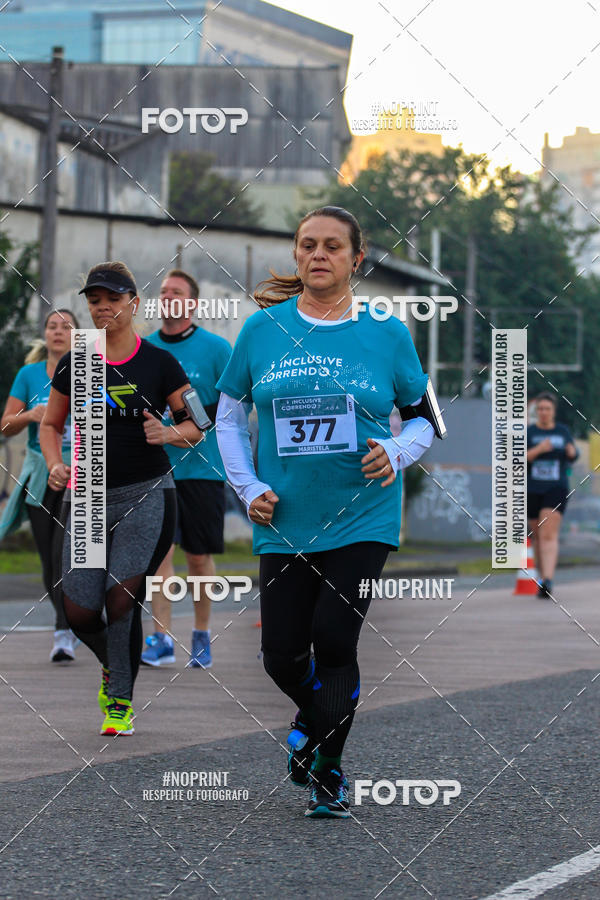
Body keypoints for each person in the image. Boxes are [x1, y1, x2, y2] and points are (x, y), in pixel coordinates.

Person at [216, 206, 439, 818]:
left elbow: (425, 420)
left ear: (355, 259)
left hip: (364, 514)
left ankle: (330, 771)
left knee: (334, 636)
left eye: (333, 246)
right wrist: (246, 484)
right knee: (280, 654)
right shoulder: (262, 331)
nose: (319, 254)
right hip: (281, 515)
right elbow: (230, 417)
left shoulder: (387, 332)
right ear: (296, 255)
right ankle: (313, 724)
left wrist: (396, 448)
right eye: (308, 245)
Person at [40, 261, 204, 735]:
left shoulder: (159, 362)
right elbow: (51, 425)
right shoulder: (78, 359)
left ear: (133, 303)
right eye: (94, 301)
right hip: (88, 496)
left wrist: (169, 433)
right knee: (79, 611)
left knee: (120, 601)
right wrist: (55, 462)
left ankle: (119, 702)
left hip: (147, 493)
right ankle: (115, 666)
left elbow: (198, 426)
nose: (103, 308)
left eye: (112, 299)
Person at [141, 269, 231, 669]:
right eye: (162, 292)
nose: (167, 297)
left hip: (203, 469)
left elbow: (227, 410)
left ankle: (200, 634)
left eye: (176, 292)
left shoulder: (216, 349)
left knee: (197, 558)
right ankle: (159, 638)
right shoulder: (143, 348)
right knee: (160, 555)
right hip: (154, 470)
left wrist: (176, 429)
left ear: (193, 303)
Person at [0, 309, 79, 662]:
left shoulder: (92, 371)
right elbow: (5, 425)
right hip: (41, 474)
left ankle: (80, 620)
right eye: (52, 326)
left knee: (75, 556)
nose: (58, 332)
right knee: (50, 558)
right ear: (44, 334)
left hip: (82, 473)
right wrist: (29, 416)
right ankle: (64, 630)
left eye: (66, 327)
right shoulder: (29, 375)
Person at [527, 392, 578, 599]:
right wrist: (539, 449)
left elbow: (573, 454)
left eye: (547, 409)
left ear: (553, 411)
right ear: (536, 411)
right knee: (537, 537)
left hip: (556, 488)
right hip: (532, 489)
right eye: (540, 409)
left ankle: (548, 580)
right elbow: (519, 458)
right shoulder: (530, 433)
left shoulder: (562, 431)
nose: (544, 412)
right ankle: (542, 579)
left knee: (548, 534)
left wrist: (572, 451)